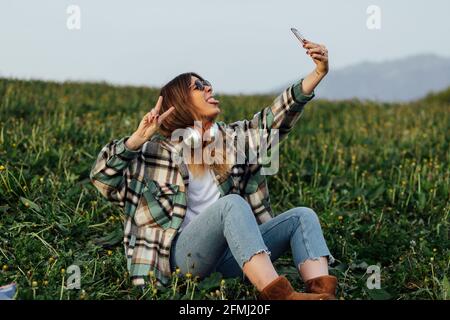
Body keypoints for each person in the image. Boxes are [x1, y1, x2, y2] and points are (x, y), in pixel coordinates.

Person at [90, 39, 337, 300]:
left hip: (232, 257)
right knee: (231, 204)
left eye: (206, 82)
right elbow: (102, 178)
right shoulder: (153, 154)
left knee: (302, 216)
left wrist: (318, 73)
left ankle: (322, 293)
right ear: (180, 103)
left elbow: (273, 121)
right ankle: (280, 296)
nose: (208, 87)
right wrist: (135, 141)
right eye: (198, 86)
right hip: (179, 262)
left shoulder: (229, 140)